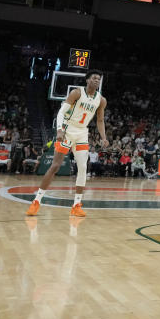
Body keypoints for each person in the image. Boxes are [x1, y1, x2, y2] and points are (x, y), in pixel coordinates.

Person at [27, 71, 109, 217]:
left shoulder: (101, 100)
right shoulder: (76, 93)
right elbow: (61, 112)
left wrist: (104, 137)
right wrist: (59, 130)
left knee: (83, 167)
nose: (97, 80)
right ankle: (36, 201)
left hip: (82, 133)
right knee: (55, 166)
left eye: (99, 79)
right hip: (67, 129)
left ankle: (77, 205)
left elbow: (100, 120)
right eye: (94, 78)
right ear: (87, 80)